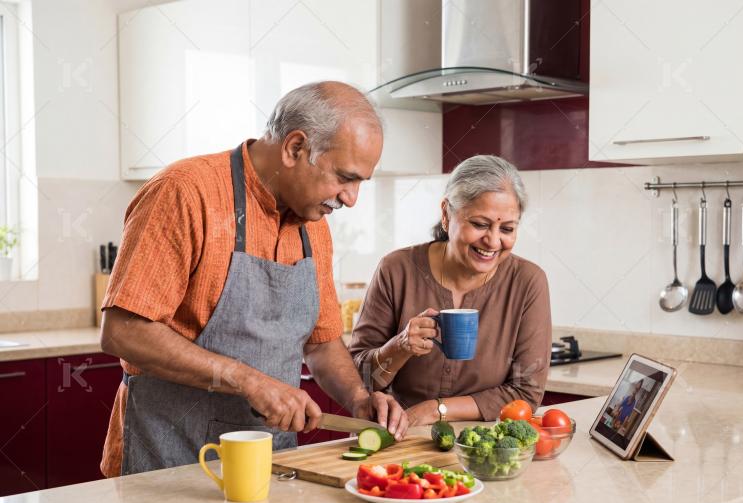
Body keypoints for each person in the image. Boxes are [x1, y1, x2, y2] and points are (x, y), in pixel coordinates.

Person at [100, 81, 409, 477]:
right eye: (345, 178)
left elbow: (322, 342)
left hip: (267, 462)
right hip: (168, 455)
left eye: (360, 182)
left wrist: (359, 398)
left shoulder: (314, 223)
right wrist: (249, 381)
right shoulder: (185, 192)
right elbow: (124, 332)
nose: (351, 198)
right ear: (295, 148)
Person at [349, 155, 551, 425]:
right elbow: (359, 379)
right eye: (480, 224)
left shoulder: (528, 282)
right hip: (396, 440)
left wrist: (435, 410)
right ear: (446, 213)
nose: (492, 241)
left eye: (507, 228)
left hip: (480, 449)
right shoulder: (396, 269)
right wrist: (400, 347)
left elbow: (526, 393)